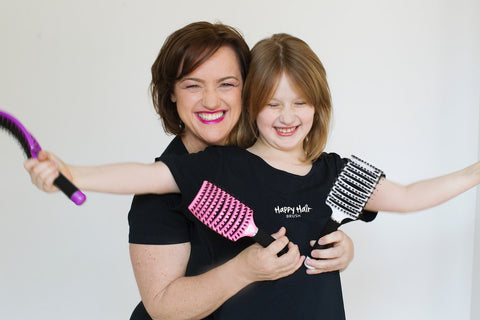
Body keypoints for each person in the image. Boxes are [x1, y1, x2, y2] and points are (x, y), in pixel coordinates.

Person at [25, 32, 480, 319]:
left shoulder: (337, 173)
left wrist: (473, 173)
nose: (287, 116)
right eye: (272, 103)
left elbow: (405, 195)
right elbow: (149, 176)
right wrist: (72, 172)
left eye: (300, 102)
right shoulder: (217, 168)